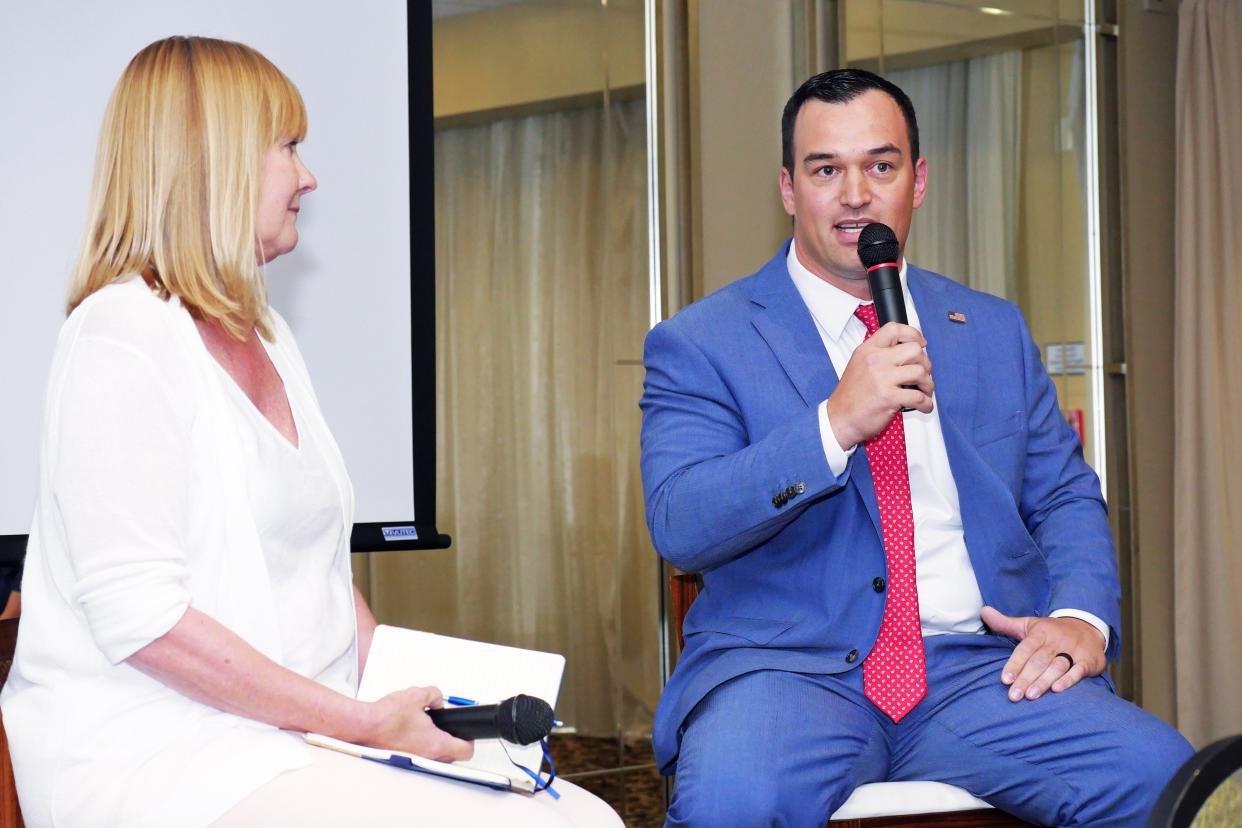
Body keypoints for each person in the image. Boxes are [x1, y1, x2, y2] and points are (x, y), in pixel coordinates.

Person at [0, 36, 619, 828]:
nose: (309, 175)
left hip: (294, 737)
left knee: (579, 815)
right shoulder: (119, 335)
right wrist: (358, 721)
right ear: (215, 160)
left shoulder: (268, 334)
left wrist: (418, 697)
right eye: (288, 147)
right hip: (163, 755)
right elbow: (143, 621)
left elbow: (317, 572)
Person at [639, 69, 1193, 828]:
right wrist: (832, 424)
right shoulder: (702, 341)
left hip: (976, 669)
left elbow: (1063, 496)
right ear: (788, 188)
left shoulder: (990, 328)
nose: (856, 194)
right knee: (733, 804)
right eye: (825, 169)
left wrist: (1081, 620)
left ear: (918, 180)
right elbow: (681, 521)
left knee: (1167, 781)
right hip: (787, 673)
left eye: (881, 165)